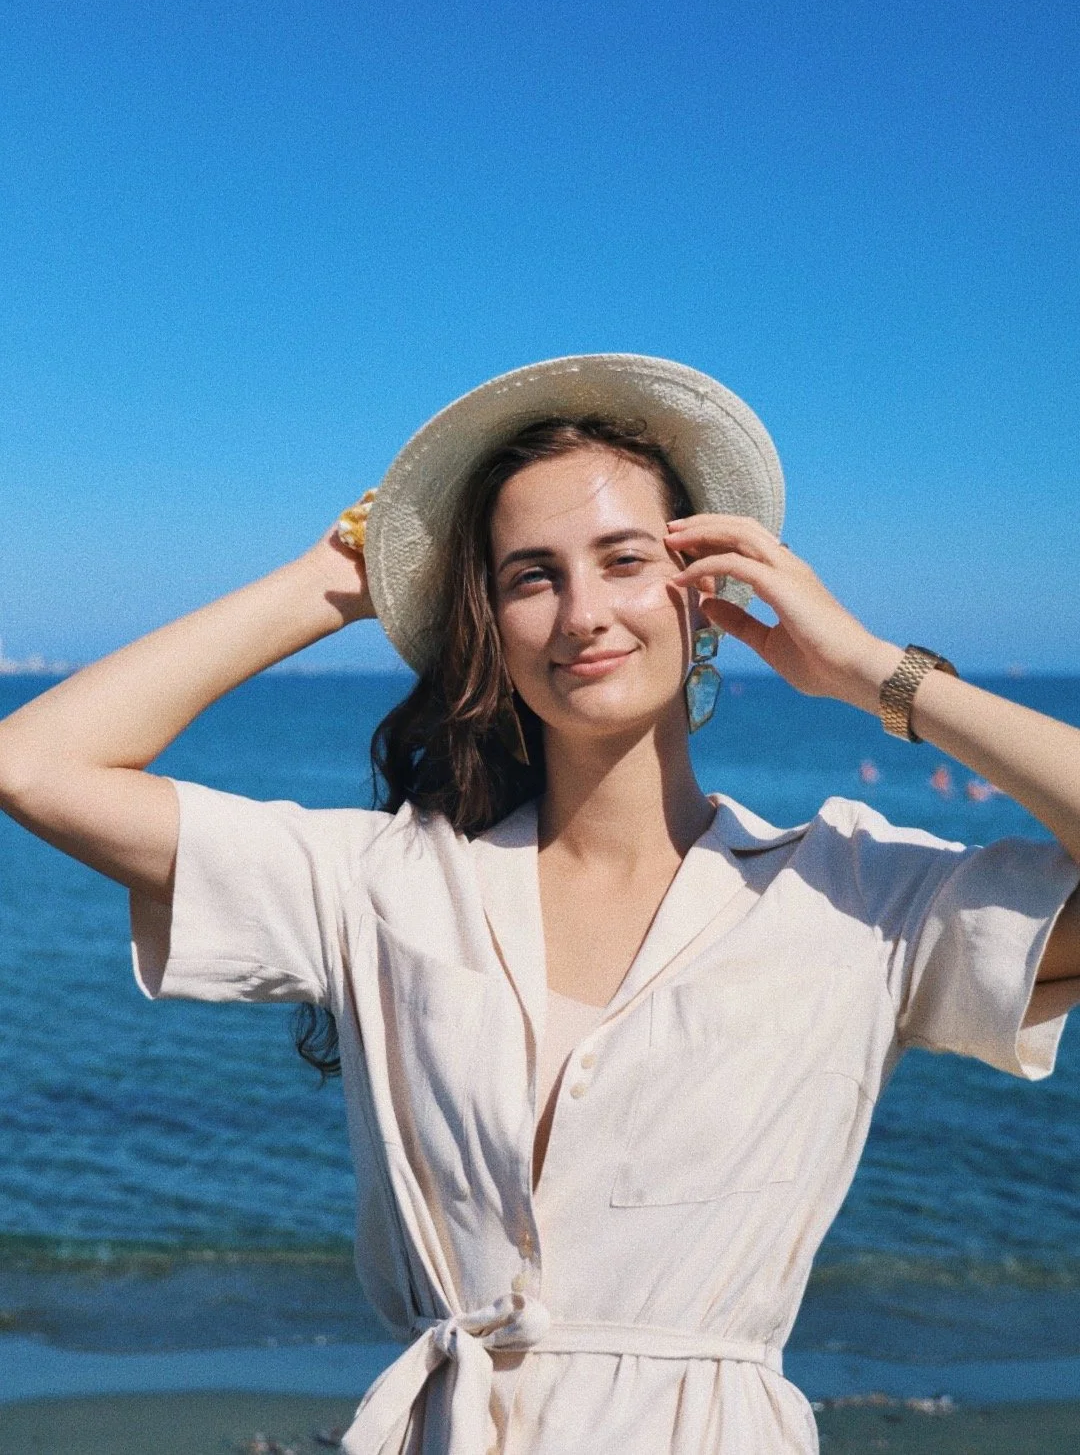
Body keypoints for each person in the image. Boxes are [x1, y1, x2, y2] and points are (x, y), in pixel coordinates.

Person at [1, 352, 1079, 1455]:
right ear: (491, 620)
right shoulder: (384, 884)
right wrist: (330, 583)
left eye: (624, 561)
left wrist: (869, 671)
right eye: (531, 576)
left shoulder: (854, 894)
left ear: (703, 593)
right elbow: (33, 765)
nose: (583, 614)